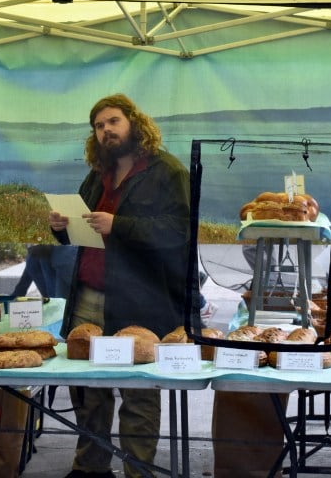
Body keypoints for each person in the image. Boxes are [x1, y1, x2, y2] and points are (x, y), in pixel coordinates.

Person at [50, 93, 194, 478]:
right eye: (98, 126)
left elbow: (180, 232)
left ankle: (138, 471)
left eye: (113, 121)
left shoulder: (169, 171)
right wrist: (61, 229)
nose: (105, 131)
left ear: (134, 122)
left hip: (141, 300)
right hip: (89, 297)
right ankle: (90, 468)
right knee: (89, 392)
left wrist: (120, 225)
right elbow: (84, 227)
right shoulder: (98, 173)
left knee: (138, 393)